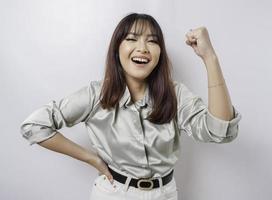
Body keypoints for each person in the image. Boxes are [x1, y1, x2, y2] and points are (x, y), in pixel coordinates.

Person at [20, 13, 242, 200]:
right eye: (132, 39)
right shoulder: (95, 94)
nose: (142, 48)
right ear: (117, 48)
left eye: (152, 41)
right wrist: (92, 159)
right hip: (113, 193)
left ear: (160, 54)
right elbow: (34, 126)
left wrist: (209, 57)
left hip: (165, 194)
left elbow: (219, 132)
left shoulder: (175, 94)